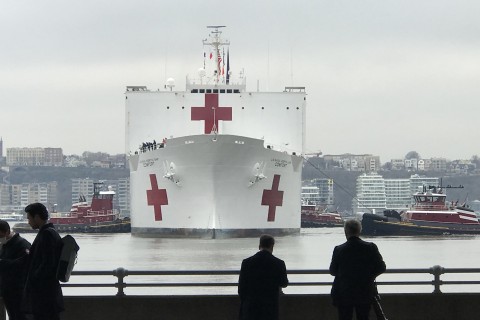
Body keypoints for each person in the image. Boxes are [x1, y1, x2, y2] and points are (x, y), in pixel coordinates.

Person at [329, 219, 386, 320]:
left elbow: (333, 271)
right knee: (363, 317)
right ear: (359, 231)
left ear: (346, 231)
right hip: (365, 291)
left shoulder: (339, 249)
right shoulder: (371, 247)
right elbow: (381, 267)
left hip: (344, 293)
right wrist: (369, 276)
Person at [23, 203, 64, 320]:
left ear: (36, 217)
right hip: (49, 293)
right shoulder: (51, 232)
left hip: (44, 294)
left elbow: (47, 263)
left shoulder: (46, 234)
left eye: (29, 218)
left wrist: (34, 277)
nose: (29, 222)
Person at [238, 234, 289, 320]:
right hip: (269, 308)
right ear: (272, 246)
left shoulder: (246, 262)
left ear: (259, 246)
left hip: (250, 307)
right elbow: (284, 283)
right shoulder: (279, 263)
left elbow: (241, 288)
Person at [0, 220, 31, 320]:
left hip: (19, 291)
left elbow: (25, 264)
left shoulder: (22, 244)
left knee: (20, 316)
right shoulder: (6, 245)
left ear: (7, 231)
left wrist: (3, 262)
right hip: (8, 291)